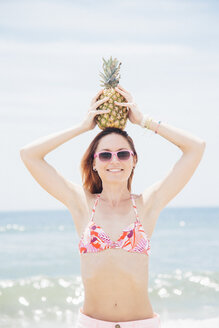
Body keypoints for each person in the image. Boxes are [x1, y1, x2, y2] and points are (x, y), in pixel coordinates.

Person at [20, 84, 206, 328]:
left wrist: (143, 121)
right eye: (105, 155)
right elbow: (28, 154)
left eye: (123, 154)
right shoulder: (82, 204)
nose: (114, 160)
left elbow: (196, 147)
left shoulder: (147, 205)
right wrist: (82, 127)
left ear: (134, 160)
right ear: (94, 163)